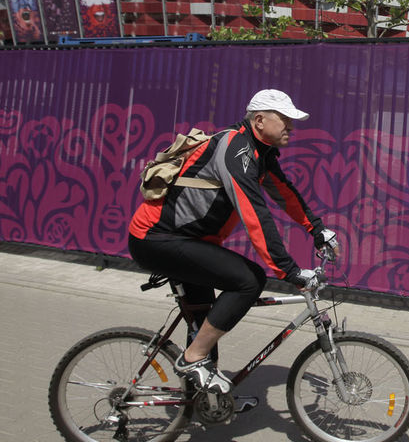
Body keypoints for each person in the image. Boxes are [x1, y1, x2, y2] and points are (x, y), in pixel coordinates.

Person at [127, 88, 339, 397]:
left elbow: (285, 194)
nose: (291, 127)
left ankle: (204, 400)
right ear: (259, 120)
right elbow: (255, 214)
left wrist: (318, 231)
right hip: (156, 239)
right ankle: (193, 358)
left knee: (204, 323)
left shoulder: (259, 152)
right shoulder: (236, 150)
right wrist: (288, 271)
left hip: (187, 241)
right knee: (248, 280)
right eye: (284, 119)